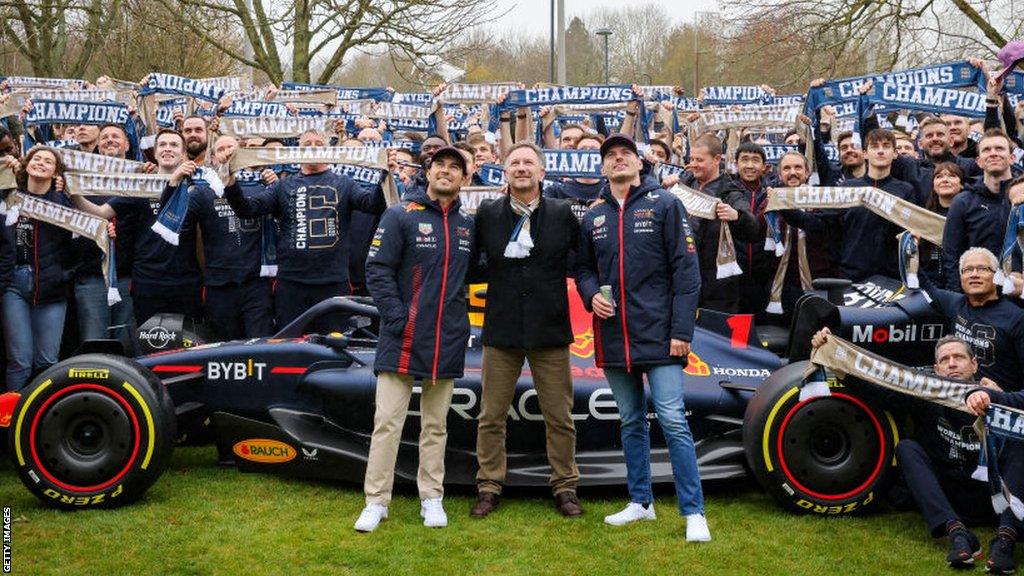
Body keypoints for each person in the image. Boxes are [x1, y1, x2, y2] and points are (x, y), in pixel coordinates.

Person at [575, 133, 710, 542]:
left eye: (625, 155)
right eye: (610, 157)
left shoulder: (665, 204)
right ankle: (640, 502)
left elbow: (688, 273)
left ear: (639, 163)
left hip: (661, 335)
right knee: (631, 421)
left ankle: (693, 512)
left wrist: (681, 332)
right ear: (603, 168)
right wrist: (589, 296)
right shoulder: (593, 216)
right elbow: (582, 270)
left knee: (671, 420)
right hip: (614, 336)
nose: (618, 161)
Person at [811, 329, 1013, 571]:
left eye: (958, 357)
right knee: (907, 448)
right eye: (944, 360)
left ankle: (1005, 538)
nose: (951, 364)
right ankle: (957, 533)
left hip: (990, 498)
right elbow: (879, 389)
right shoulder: (925, 394)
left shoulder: (998, 397)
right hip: (945, 495)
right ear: (936, 369)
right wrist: (831, 352)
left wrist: (1000, 402)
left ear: (974, 364)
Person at [353, 147, 475, 533]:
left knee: (436, 425)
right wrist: (395, 315)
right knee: (387, 422)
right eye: (440, 165)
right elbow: (376, 268)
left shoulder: (468, 225)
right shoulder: (400, 214)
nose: (447, 172)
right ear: (428, 171)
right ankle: (376, 501)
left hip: (446, 338)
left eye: (455, 167)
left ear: (464, 178)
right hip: (401, 336)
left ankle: (431, 497)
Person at [470, 142, 583, 519]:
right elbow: (472, 266)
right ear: (504, 171)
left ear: (541, 172)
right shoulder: (487, 214)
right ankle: (488, 485)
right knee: (491, 415)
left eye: (528, 163)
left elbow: (582, 264)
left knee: (560, 416)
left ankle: (565, 486)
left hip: (550, 329)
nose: (521, 168)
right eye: (514, 163)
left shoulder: (563, 212)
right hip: (501, 328)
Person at [224, 129, 386, 330]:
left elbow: (372, 205)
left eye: (319, 144)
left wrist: (384, 178)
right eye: (307, 144)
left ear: (328, 151)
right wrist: (230, 181)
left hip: (333, 283)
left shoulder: (344, 183)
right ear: (297, 152)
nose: (313, 148)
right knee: (291, 347)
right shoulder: (283, 185)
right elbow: (247, 209)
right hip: (292, 284)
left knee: (333, 347)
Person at [73, 129, 204, 326]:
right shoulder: (139, 186)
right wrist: (72, 193)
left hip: (186, 282)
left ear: (184, 153)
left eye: (174, 145)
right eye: (163, 145)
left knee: (186, 345)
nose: (168, 149)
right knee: (150, 345)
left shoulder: (198, 188)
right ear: (156, 151)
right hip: (148, 281)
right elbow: (101, 213)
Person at [783, 128, 916, 281]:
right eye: (874, 146)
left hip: (893, 278)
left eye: (886, 146)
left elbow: (911, 233)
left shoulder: (906, 190)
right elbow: (820, 223)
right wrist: (784, 207)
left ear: (894, 154)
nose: (880, 151)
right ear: (865, 153)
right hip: (852, 276)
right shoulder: (847, 188)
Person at [1, 147, 71, 390]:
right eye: (36, 158)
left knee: (47, 362)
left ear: (55, 173)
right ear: (26, 165)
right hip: (13, 284)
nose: (41, 163)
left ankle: (42, 420)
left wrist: (65, 274)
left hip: (52, 287)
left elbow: (82, 244)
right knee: (19, 361)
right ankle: (9, 423)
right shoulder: (8, 198)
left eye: (48, 161)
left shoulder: (63, 204)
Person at [918, 247, 1024, 393]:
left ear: (997, 276)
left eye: (982, 269)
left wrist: (1002, 397)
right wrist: (910, 249)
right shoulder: (955, 303)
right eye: (967, 270)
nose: (974, 275)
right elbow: (924, 284)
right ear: (961, 277)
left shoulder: (1017, 318)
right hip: (959, 400)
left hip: (1000, 407)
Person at [682, 133, 759, 313]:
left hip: (718, 290)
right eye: (691, 158)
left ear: (717, 159)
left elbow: (754, 229)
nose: (693, 164)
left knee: (722, 339)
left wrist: (737, 216)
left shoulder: (731, 192)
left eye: (699, 159)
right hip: (685, 281)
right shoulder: (683, 185)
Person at [942, 129, 1018, 290]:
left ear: (1012, 158)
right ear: (979, 161)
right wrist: (958, 299)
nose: (993, 153)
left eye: (999, 148)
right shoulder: (963, 202)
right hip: (978, 296)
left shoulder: (1022, 197)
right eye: (986, 150)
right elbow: (952, 255)